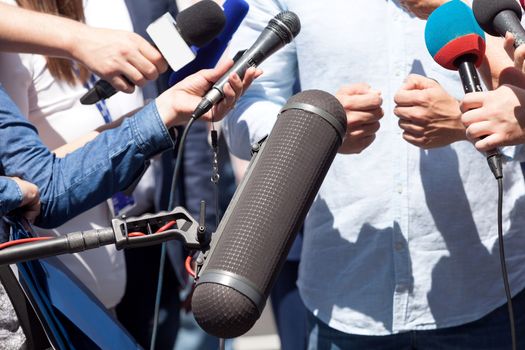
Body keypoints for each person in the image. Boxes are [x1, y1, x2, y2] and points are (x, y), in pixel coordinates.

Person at [223, 0, 525, 349]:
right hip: (347, 290)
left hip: (486, 289)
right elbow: (242, 104)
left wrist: (464, 123)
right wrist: (314, 132)